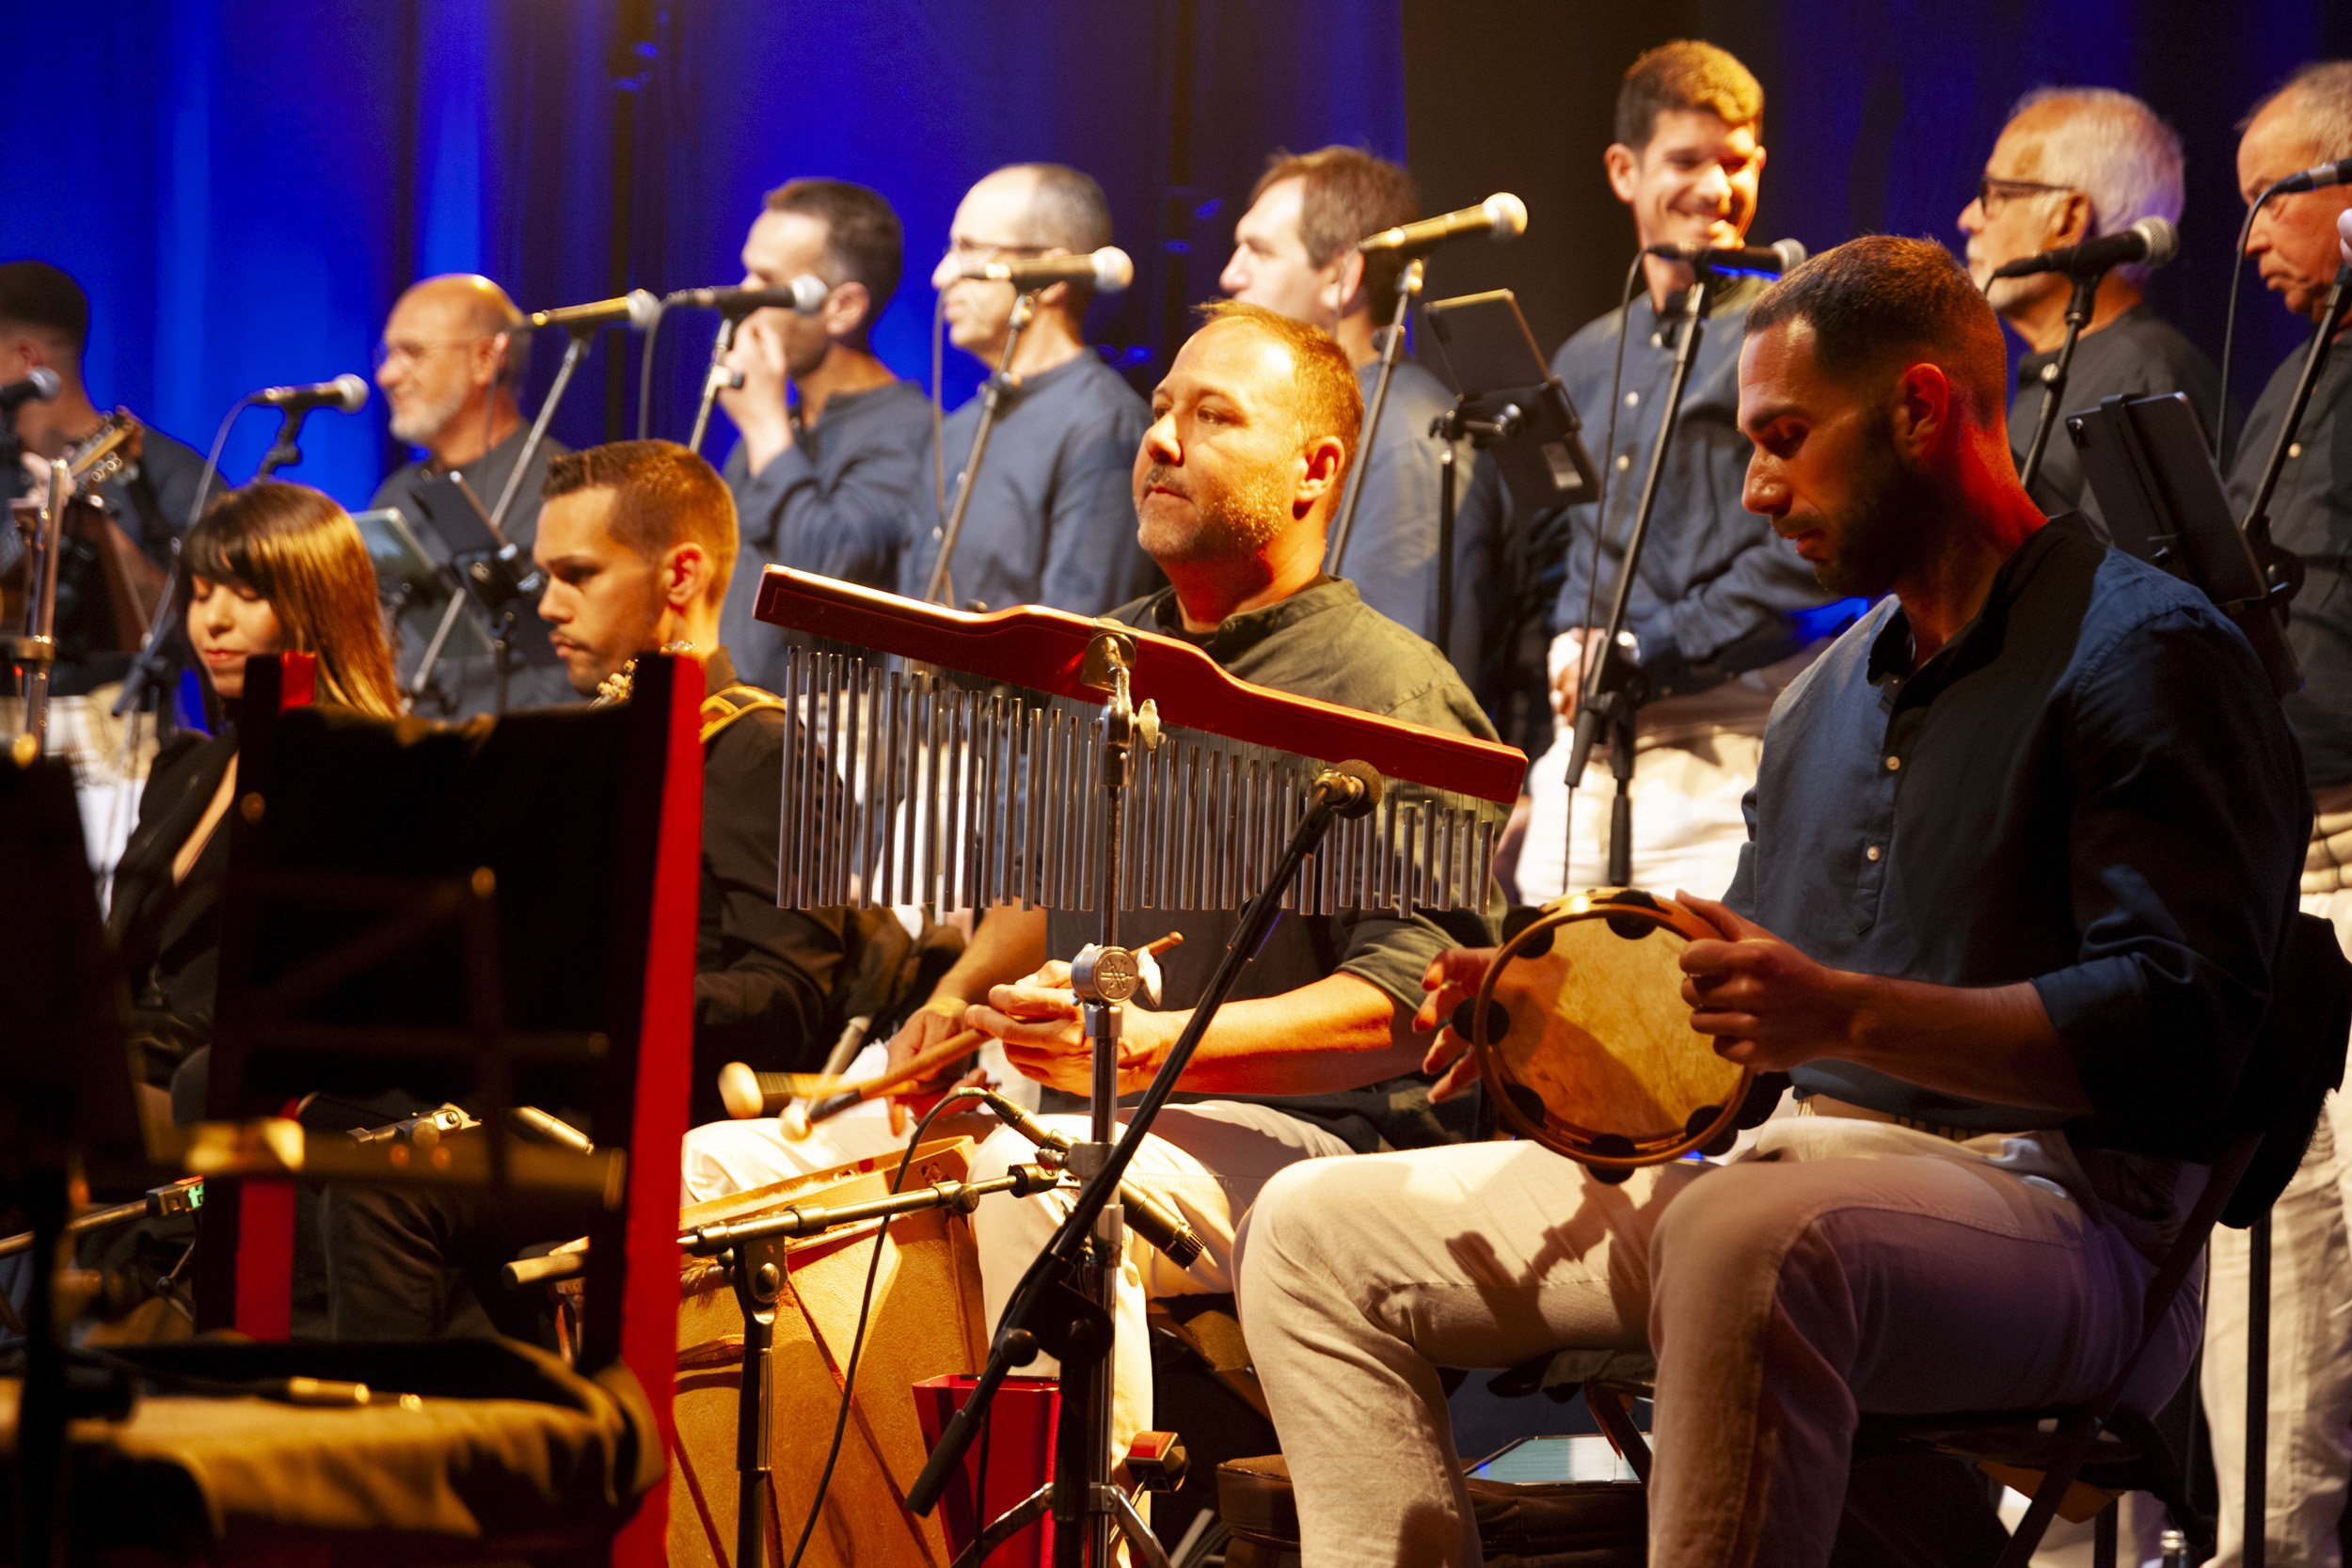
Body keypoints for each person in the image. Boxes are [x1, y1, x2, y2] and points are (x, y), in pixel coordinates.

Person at [1232, 236, 2307, 1567]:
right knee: (1313, 1227)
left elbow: (2179, 1025)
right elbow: (1729, 1047)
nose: (1753, 488)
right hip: (1786, 1173)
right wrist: (1543, 1024)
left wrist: (1843, 1014)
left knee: (1752, 1235)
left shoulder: (2148, 649)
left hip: (2063, 1219)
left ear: (1920, 409)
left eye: (1786, 437)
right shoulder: (1826, 696)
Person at [684, 300, 1505, 1475]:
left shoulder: (1385, 690)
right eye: (1161, 407)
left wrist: (1146, 1045)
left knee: (1032, 1189)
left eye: (1213, 415)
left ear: (1316, 469)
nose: (1161, 438)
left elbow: (1402, 1007)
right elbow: (1040, 897)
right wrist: (959, 992)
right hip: (1081, 1101)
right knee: (719, 1172)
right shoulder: (1100, 658)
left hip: (1317, 1145)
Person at [319, 439, 877, 1337]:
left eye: (577, 573)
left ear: (680, 576)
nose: (547, 604)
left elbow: (787, 1001)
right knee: (266, 1108)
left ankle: (403, 1464)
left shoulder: (762, 750)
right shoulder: (587, 742)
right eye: (546, 574)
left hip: (653, 1121)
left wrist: (582, 994)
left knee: (383, 1190)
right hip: (543, 1087)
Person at [1456, 40, 1837, 907]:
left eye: (1736, 162)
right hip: (1582, 758)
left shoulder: (1791, 340)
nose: (1716, 187)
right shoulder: (1590, 353)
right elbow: (1560, 556)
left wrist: (1642, 650)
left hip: (1729, 750)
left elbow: (1811, 558)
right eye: (1688, 160)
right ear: (1625, 171)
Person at [2202, 59, 2352, 1568]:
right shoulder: (2285, 385)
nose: (2249, 236)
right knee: (2280, 1242)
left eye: (2273, 196)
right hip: (2273, 865)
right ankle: (2261, 1545)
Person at [105, 483, 402, 1109]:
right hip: (119, 1072)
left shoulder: (358, 772)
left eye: (248, 594)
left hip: (216, 1093)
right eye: (203, 594)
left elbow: (304, 998)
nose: (213, 620)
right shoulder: (186, 763)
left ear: (316, 602)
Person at [1219, 147, 1459, 653]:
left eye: (1259, 252)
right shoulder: (1301, 418)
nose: (1231, 276)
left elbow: (1388, 676)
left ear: (1341, 277)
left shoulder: (1409, 437)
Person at [898, 163, 1159, 614]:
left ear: (1053, 274)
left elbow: (1079, 636)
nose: (942, 276)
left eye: (969, 249)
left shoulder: (1105, 425)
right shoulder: (960, 427)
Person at [1957, 87, 2220, 530]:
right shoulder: (2055, 369)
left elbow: (2139, 588)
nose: (1968, 217)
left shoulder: (2144, 373)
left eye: (1994, 194)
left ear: (2068, 220)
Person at [714, 177, 932, 684]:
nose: (743, 297)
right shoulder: (779, 426)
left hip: (810, 750)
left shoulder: (915, 433)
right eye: (747, 273)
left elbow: (830, 572)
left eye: (767, 280)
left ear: (843, 307)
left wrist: (766, 430)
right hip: (729, 728)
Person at [0, 259, 208, 693]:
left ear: (27, 360)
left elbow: (201, 629)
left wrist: (91, 527)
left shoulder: (167, 475)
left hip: (115, 736)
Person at [369, 273, 569, 713]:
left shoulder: (562, 490)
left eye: (412, 353)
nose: (386, 375)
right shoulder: (395, 495)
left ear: (486, 359)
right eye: (386, 353)